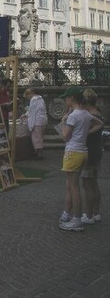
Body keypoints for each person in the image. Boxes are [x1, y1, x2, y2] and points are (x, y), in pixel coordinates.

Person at [58, 87, 103, 232]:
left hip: (73, 152)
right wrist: (86, 134)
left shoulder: (73, 116)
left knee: (73, 187)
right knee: (76, 185)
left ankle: (76, 219)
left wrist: (64, 121)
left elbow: (65, 136)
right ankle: (73, 215)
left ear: (72, 98)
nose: (65, 100)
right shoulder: (86, 114)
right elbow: (100, 124)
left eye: (66, 98)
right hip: (84, 152)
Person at [80, 89, 103, 225]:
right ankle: (96, 212)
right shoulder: (98, 114)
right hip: (96, 152)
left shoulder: (91, 116)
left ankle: (89, 215)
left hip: (89, 153)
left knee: (87, 184)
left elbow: (83, 133)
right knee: (94, 183)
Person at [23, 88, 48, 159]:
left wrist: (30, 124)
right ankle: (37, 152)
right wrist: (26, 114)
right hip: (43, 119)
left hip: (37, 121)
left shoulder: (33, 99)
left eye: (27, 97)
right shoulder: (40, 99)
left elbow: (32, 112)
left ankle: (39, 154)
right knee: (40, 136)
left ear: (29, 94)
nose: (28, 98)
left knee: (36, 137)